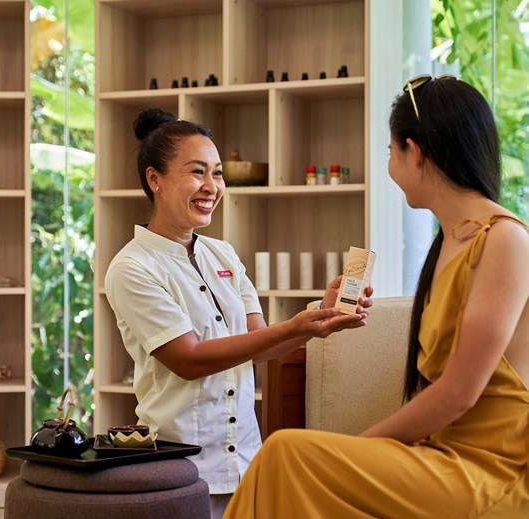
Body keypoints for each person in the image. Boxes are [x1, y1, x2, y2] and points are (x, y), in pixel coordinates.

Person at [223, 76, 529, 518]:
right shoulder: (448, 244)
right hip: (440, 455)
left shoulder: (504, 240)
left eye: (390, 152)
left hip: (493, 468)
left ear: (415, 151)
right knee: (284, 457)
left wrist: (358, 448)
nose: (389, 165)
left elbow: (459, 393)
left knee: (287, 452)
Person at [104, 108, 372, 518]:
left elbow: (260, 344)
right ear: (154, 179)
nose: (211, 186)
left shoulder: (222, 253)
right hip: (182, 468)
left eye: (218, 173)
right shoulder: (132, 267)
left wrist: (321, 316)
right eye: (197, 172)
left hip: (248, 462)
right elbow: (188, 361)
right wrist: (298, 325)